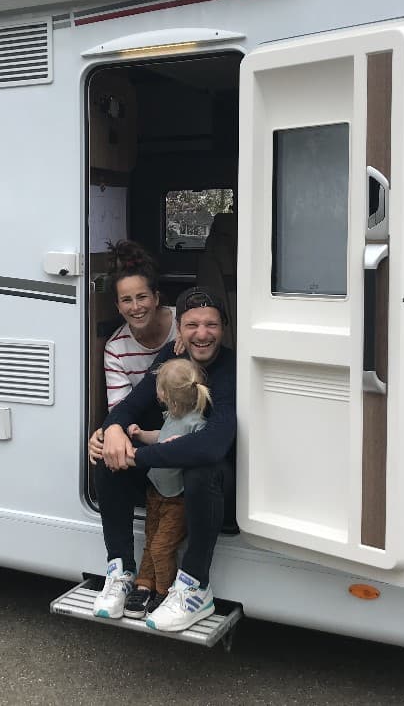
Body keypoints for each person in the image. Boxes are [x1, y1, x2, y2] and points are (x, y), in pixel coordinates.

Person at [89, 287, 235, 633]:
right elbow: (132, 405)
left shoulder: (231, 368)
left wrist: (137, 454)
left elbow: (211, 446)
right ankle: (120, 570)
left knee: (202, 469)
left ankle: (196, 587)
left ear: (223, 328)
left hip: (211, 487)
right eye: (192, 325)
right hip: (166, 477)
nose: (202, 334)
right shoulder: (171, 358)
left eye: (211, 325)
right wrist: (112, 431)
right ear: (180, 330)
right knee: (109, 458)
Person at [121, 358, 211, 620]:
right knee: (151, 542)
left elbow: (182, 447)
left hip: (177, 500)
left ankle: (164, 591)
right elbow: (159, 437)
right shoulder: (174, 416)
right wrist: (139, 435)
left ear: (164, 394)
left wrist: (176, 446)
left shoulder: (197, 424)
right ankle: (144, 584)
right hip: (157, 492)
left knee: (161, 547)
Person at [102, 241, 177, 411]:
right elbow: (120, 411)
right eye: (127, 300)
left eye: (142, 297)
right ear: (118, 307)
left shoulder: (184, 323)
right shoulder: (116, 349)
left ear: (156, 298)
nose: (135, 307)